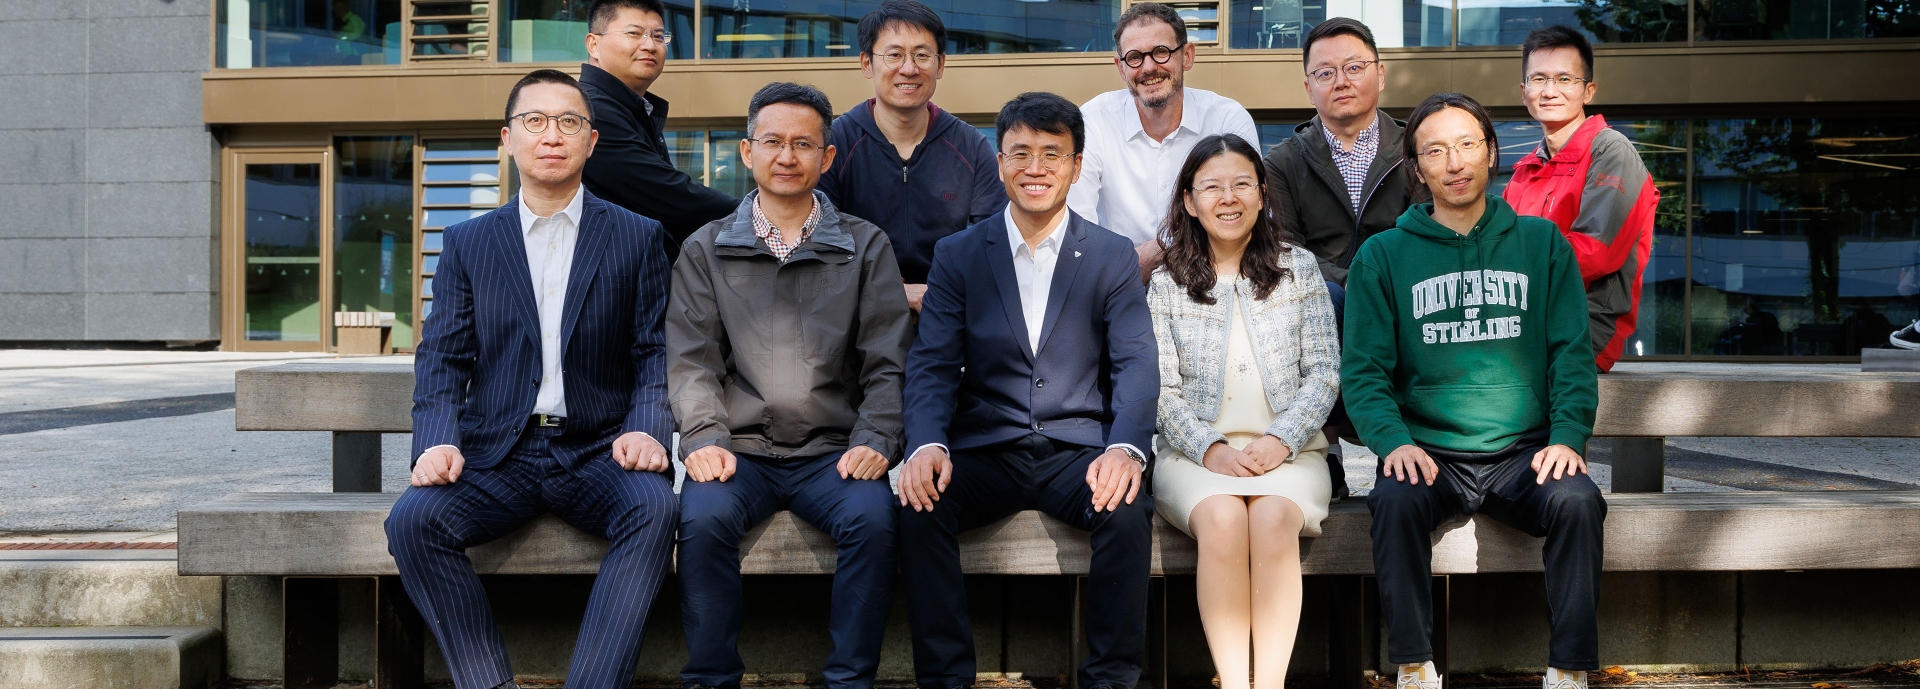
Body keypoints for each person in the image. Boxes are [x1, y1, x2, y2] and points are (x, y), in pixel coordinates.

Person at [386, 69, 677, 689]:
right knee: (413, 521)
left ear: (591, 141)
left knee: (655, 510)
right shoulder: (468, 243)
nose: (553, 135)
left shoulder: (637, 235)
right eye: (535, 122)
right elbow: (442, 358)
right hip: (499, 456)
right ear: (507, 138)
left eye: (569, 122)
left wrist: (648, 427)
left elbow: (655, 351)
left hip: (599, 451)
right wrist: (436, 438)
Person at [897, 91, 1159, 689]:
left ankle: (1110, 680)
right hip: (987, 448)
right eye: (1020, 153)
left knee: (1126, 509)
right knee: (918, 503)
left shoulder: (1112, 255)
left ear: (1075, 163)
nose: (1035, 168)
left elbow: (1137, 364)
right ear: (999, 163)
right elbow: (932, 364)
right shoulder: (959, 254)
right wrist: (926, 444)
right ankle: (945, 678)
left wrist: (1126, 448)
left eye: (1051, 154)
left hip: (1077, 451)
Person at [1343, 93, 1603, 689]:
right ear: (1417, 168)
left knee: (1579, 501)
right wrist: (1391, 443)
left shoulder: (1542, 246)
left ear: (1491, 153)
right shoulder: (1382, 256)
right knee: (1394, 500)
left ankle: (1568, 669)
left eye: (1466, 144)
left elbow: (1570, 354)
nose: (1453, 162)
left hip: (1525, 453)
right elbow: (1363, 371)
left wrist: (1568, 436)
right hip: (1430, 454)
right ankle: (1414, 665)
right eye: (1434, 150)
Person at [668, 82, 913, 689]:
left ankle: (849, 680)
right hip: (739, 454)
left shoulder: (864, 246)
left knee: (876, 521)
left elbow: (888, 360)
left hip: (833, 455)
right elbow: (692, 359)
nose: (787, 156)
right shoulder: (706, 249)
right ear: (746, 152)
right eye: (773, 142)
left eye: (804, 144)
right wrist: (702, 436)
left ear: (826, 158)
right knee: (700, 522)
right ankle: (711, 678)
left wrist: (877, 437)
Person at [1147, 134, 1339, 689]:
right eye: (1211, 187)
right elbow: (1160, 389)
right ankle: (1234, 682)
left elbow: (1326, 371)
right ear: (1189, 200)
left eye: (1240, 185)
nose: (1227, 199)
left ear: (1261, 195)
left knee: (1274, 518)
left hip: (1292, 453)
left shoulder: (1298, 269)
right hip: (1193, 455)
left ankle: (1270, 683)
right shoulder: (1166, 284)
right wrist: (1211, 448)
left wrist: (1280, 440)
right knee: (1226, 519)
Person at [1260, 17, 1414, 499]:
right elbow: (1286, 246)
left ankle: (1394, 446)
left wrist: (1375, 285)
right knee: (1318, 296)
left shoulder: (1414, 150)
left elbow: (1426, 234)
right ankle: (1331, 452)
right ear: (1308, 87)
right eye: (1325, 73)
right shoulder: (1282, 161)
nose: (1341, 81)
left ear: (1381, 74)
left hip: (1403, 296)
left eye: (1354, 67)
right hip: (1322, 303)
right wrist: (1356, 286)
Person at [819, 0, 1007, 312]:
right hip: (853, 314)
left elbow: (995, 238)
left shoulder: (969, 145)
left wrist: (941, 294)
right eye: (894, 55)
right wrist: (896, 291)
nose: (909, 68)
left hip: (948, 310)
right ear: (867, 63)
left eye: (922, 55)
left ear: (941, 64)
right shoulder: (835, 143)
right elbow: (818, 245)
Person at [1503, 25, 1659, 372]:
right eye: (1538, 79)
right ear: (1523, 90)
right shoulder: (1525, 169)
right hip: (1522, 318)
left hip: (1583, 327)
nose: (1549, 91)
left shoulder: (1610, 150)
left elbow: (1594, 253)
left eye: (1564, 79)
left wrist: (1506, 274)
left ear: (1588, 91)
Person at [1068, 2, 1260, 260]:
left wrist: (1163, 253)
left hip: (1212, 270)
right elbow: (1078, 229)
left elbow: (1248, 213)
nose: (1148, 68)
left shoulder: (1227, 118)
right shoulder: (1093, 121)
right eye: (1135, 57)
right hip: (1119, 281)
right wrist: (1129, 268)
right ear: (1121, 67)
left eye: (1161, 52)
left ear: (1187, 55)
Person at [579, 0, 737, 259]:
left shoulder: (632, 108)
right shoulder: (590, 109)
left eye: (659, 36)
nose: (650, 45)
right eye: (634, 33)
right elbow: (668, 194)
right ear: (594, 44)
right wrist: (760, 214)